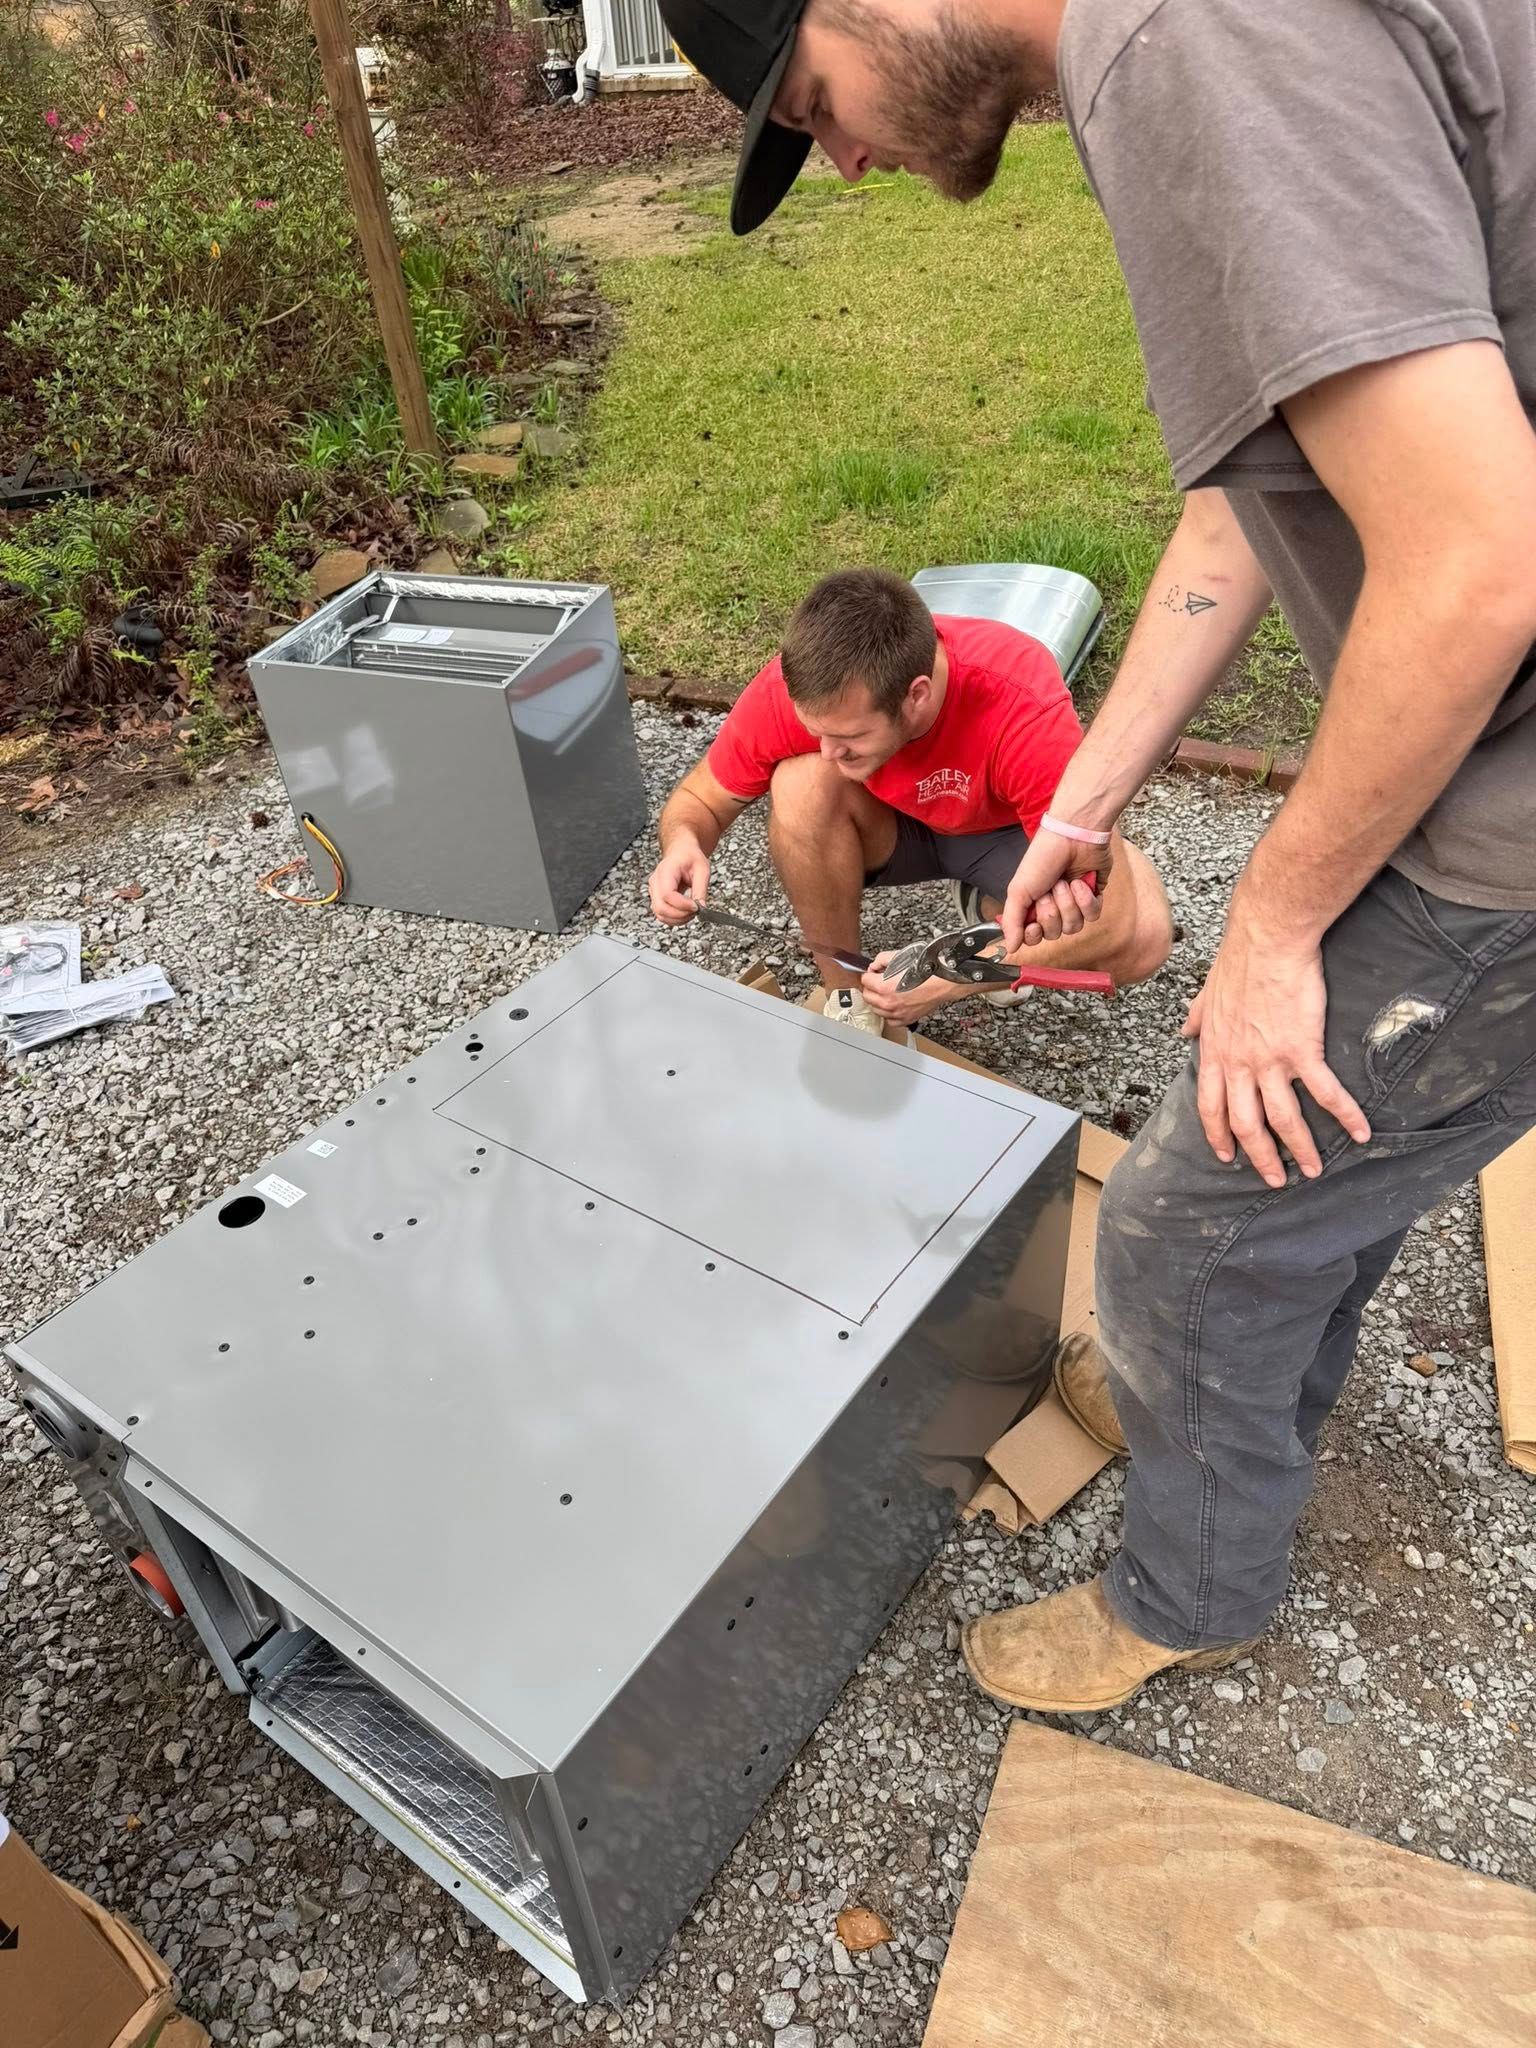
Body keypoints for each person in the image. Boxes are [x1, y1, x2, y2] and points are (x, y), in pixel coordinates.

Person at [659, 0, 1536, 1712]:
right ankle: (1254, 1398)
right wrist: (1079, 811)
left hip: (1508, 806)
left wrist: (1270, 929)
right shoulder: (1177, 42)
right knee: (1303, 1186)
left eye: (809, 101)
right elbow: (1246, 502)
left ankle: (1187, 1591)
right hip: (1487, 756)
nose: (839, 157)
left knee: (1175, 1228)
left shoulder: (1185, 48)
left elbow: (1476, 562)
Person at [646, 566, 1174, 1032]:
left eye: (849, 738)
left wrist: (949, 974)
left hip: (1007, 833)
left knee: (1145, 939)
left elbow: (1117, 917)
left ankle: (993, 910)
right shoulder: (802, 691)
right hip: (895, 827)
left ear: (917, 695)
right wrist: (683, 844)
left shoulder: (1021, 706)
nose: (828, 750)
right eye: (816, 731)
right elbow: (700, 799)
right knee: (801, 784)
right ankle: (849, 994)